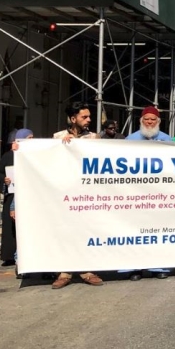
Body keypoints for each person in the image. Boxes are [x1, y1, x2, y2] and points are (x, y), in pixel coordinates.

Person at [49, 102, 104, 288]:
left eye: (89, 116)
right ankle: (64, 273)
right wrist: (19, 148)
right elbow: (43, 158)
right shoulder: (57, 137)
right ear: (73, 119)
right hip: (64, 196)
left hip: (87, 195)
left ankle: (87, 271)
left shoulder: (94, 138)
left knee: (86, 232)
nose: (89, 120)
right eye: (84, 117)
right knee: (64, 232)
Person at [122, 106, 172, 280]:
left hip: (160, 194)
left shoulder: (167, 140)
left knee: (159, 232)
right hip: (136, 194)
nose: (149, 122)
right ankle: (135, 269)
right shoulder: (130, 139)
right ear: (141, 121)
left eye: (153, 120)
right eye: (146, 119)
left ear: (158, 122)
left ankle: (159, 268)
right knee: (135, 232)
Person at [0, 129, 32, 267]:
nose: (31, 141)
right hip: (12, 195)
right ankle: (10, 254)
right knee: (11, 225)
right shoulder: (9, 156)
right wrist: (4, 179)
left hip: (30, 195)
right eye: (28, 138)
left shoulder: (33, 155)